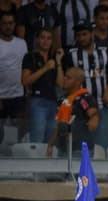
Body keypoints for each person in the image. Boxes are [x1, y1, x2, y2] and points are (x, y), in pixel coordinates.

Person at [62, 20, 108, 153]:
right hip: (79, 109)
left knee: (102, 143)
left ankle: (103, 173)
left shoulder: (105, 50)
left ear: (92, 33)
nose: (81, 38)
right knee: (82, 145)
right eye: (78, 35)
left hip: (102, 106)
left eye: (84, 34)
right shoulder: (71, 54)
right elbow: (66, 79)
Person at [21, 28, 64, 143]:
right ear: (37, 40)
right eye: (42, 37)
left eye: (49, 38)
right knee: (38, 138)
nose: (46, 41)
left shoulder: (53, 58)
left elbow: (61, 84)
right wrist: (45, 68)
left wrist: (58, 62)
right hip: (37, 100)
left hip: (53, 101)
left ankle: (48, 161)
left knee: (50, 140)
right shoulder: (30, 56)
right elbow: (25, 80)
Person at [46, 67, 98, 157]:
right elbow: (58, 123)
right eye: (65, 76)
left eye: (68, 78)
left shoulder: (85, 98)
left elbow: (94, 116)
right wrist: (50, 144)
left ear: (78, 82)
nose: (64, 79)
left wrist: (93, 120)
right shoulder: (62, 99)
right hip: (63, 148)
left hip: (80, 149)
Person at [0, 11, 28, 141]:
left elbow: (25, 68)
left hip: (18, 96)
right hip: (0, 96)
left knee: (20, 135)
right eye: (4, 23)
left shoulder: (22, 43)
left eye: (10, 23)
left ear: (15, 24)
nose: (8, 26)